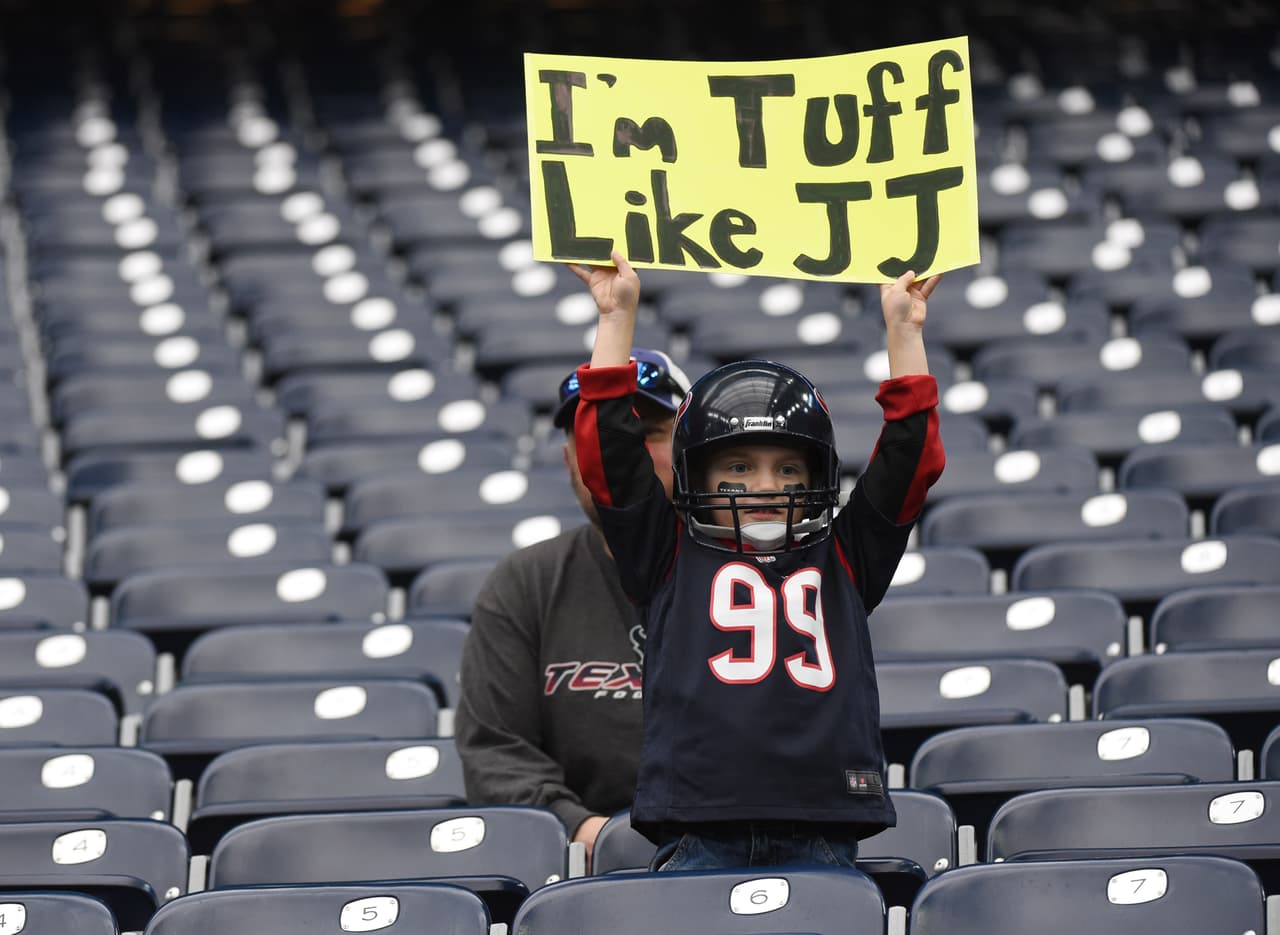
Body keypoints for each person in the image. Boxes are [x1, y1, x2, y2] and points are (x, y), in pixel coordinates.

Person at [569, 250, 946, 871]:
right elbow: (606, 452)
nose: (766, 485)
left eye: (788, 468)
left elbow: (913, 456)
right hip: (697, 829)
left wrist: (905, 332)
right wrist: (616, 319)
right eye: (739, 468)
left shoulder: (848, 555)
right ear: (697, 476)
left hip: (823, 825)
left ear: (819, 476)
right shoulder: (663, 553)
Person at [454, 347, 692, 868]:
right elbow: (495, 752)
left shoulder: (751, 579)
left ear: (689, 449)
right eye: (599, 436)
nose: (618, 453)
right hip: (577, 869)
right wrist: (587, 832)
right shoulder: (524, 584)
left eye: (647, 433)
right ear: (569, 460)